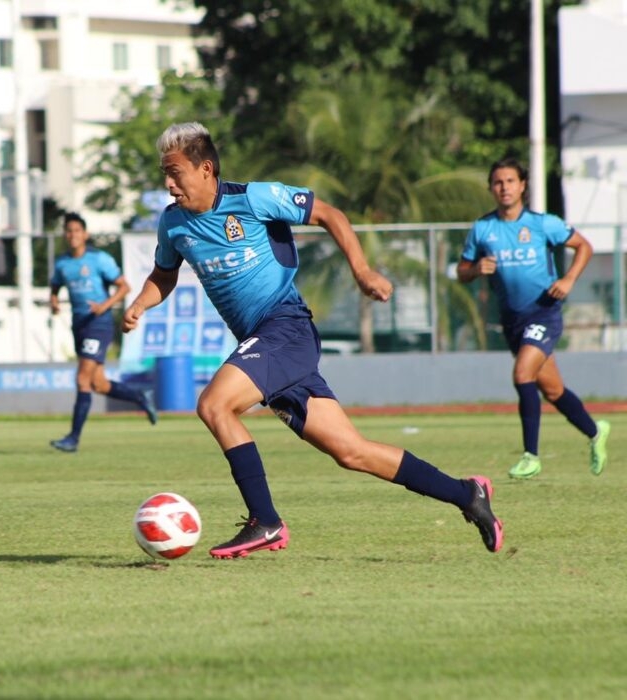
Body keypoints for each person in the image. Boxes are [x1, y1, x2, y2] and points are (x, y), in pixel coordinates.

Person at [122, 122, 504, 558]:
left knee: (214, 404)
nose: (169, 185)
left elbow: (330, 215)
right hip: (263, 342)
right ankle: (468, 494)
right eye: (164, 175)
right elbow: (163, 275)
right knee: (352, 451)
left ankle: (264, 521)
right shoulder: (173, 224)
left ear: (205, 168)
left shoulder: (253, 198)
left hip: (286, 327)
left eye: (176, 173)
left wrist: (362, 271)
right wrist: (140, 303)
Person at [458, 157, 610, 480]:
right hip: (513, 321)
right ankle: (597, 432)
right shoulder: (483, 229)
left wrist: (568, 280)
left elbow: (584, 246)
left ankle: (531, 456)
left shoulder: (543, 224)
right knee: (553, 390)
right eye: (498, 182)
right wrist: (474, 270)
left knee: (522, 374)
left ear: (523, 185)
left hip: (544, 312)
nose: (504, 188)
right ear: (491, 188)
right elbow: (462, 271)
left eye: (510, 181)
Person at [48, 213, 158, 452]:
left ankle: (73, 439)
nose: (73, 235)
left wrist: (103, 306)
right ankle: (140, 397)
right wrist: (54, 300)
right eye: (69, 231)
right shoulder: (62, 263)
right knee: (98, 383)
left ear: (85, 234)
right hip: (79, 324)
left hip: (98, 324)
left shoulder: (99, 259)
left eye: (77, 230)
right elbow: (55, 285)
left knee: (82, 379)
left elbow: (124, 286)